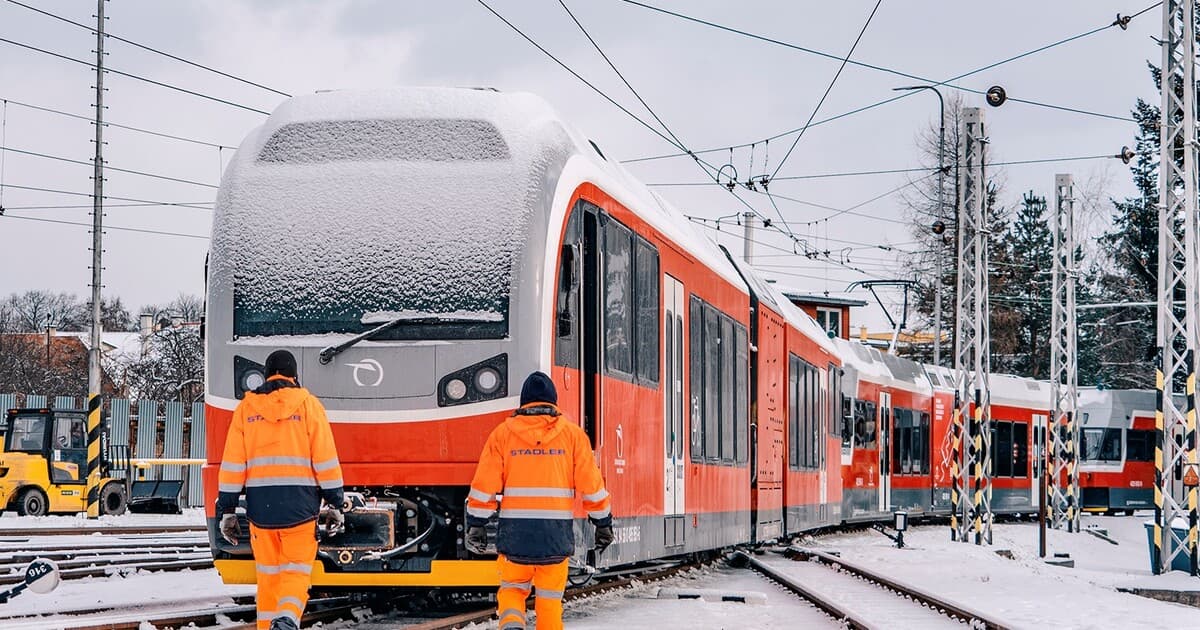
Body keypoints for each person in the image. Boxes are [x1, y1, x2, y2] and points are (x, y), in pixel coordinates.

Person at [465, 371, 614, 630]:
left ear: (523, 403)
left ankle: (512, 625)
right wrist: (603, 523)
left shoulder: (502, 434)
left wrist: (476, 523)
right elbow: (592, 486)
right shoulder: (573, 435)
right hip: (554, 538)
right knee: (549, 600)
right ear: (554, 402)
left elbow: (483, 486)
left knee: (512, 590)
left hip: (515, 536)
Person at [215, 350, 347, 630]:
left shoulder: (246, 409)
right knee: (296, 573)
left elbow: (232, 465)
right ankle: (287, 618)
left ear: (266, 374)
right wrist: (335, 502)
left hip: (260, 512)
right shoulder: (309, 406)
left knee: (268, 578)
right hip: (300, 510)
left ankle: (268, 626)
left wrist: (226, 509)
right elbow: (325, 459)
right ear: (294, 376)